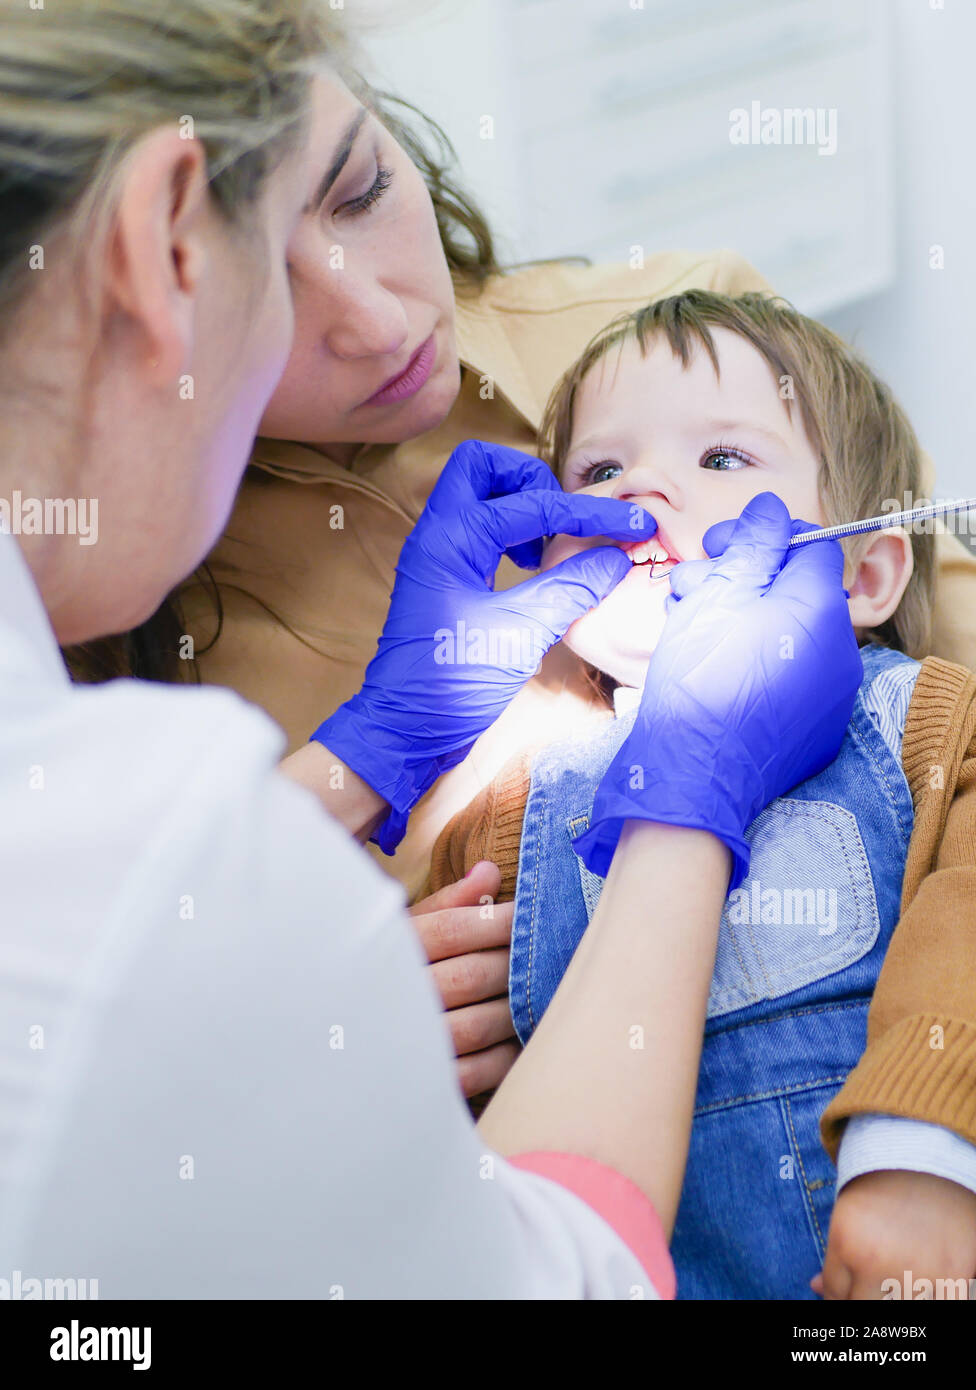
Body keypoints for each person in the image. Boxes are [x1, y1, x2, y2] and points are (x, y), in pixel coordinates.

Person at [0, 0, 862, 1297]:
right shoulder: (150, 811)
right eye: (610, 466)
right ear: (159, 245)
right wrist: (341, 1017)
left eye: (360, 185)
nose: (372, 314)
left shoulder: (693, 324)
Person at [429, 290, 976, 1299]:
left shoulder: (928, 724)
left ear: (866, 575)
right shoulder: (514, 801)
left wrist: (924, 1151)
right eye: (599, 469)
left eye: (721, 458)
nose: (639, 487)